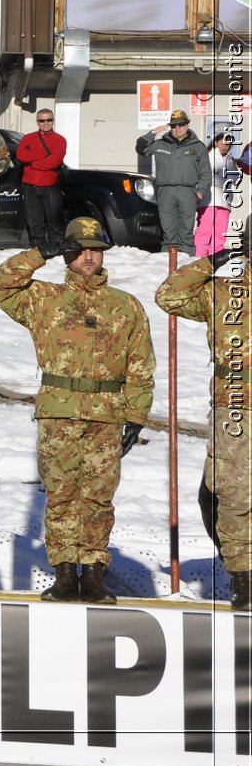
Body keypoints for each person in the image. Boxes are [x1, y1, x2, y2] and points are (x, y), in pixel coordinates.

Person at [0, 217, 154, 604]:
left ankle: (94, 573)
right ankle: (64, 572)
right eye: (79, 250)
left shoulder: (126, 306)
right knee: (61, 495)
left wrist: (136, 416)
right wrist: (38, 253)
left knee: (98, 497)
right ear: (67, 256)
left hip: (107, 415)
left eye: (94, 250)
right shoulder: (43, 299)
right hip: (59, 412)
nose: (88, 257)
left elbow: (141, 367)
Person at [156, 247, 251, 610]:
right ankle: (244, 577)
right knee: (230, 496)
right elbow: (169, 295)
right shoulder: (223, 292)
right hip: (234, 409)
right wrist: (210, 262)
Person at [136, 111, 211, 255]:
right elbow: (141, 148)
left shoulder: (198, 146)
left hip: (188, 191)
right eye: (174, 125)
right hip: (165, 191)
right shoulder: (159, 144)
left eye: (181, 125)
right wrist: (153, 132)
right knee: (168, 229)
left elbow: (205, 172)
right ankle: (167, 262)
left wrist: (201, 190)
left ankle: (186, 261)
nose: (178, 128)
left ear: (187, 125)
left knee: (186, 229)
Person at [14, 109, 67, 254]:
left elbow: (53, 163)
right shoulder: (28, 138)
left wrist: (33, 162)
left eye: (49, 120)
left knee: (55, 223)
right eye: (42, 120)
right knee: (34, 223)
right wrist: (44, 155)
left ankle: (56, 252)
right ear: (37, 122)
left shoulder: (60, 140)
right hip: (30, 186)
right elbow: (21, 155)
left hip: (50, 185)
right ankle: (38, 253)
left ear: (53, 120)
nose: (46, 123)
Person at [196, 134, 237, 257]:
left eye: (228, 145)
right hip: (210, 199)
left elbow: (235, 177)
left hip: (225, 201)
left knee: (220, 233)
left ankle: (215, 260)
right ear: (215, 142)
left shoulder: (230, 159)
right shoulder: (207, 156)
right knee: (204, 231)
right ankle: (198, 259)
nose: (225, 147)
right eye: (222, 143)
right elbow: (206, 176)